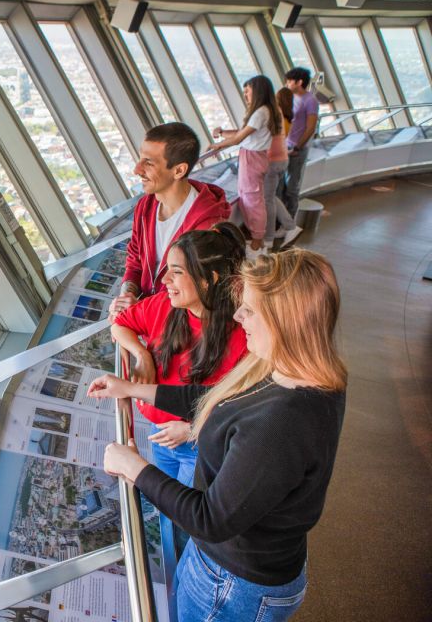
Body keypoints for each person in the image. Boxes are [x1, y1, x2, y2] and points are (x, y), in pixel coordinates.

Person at [89, 249, 347, 621]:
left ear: (286, 321)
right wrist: (133, 389)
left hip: (232, 584)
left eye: (251, 310)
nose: (239, 316)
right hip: (238, 566)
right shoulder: (300, 372)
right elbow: (217, 400)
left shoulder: (281, 422)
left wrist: (136, 469)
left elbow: (211, 519)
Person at [111, 222, 248, 488]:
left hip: (198, 444)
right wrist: (142, 354)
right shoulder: (164, 304)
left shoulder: (243, 335)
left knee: (181, 512)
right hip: (160, 434)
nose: (164, 281)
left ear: (209, 279)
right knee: (166, 507)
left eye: (176, 272)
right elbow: (121, 324)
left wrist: (191, 430)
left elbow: (242, 406)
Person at [112, 123, 230, 318]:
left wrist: (137, 311)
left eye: (148, 163)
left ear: (178, 171)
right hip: (150, 315)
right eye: (140, 159)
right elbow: (135, 261)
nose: (137, 170)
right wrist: (127, 295)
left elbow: (194, 291)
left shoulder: (207, 226)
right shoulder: (145, 207)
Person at [209, 75, 279, 259]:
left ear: (258, 91)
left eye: (248, 91)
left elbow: (240, 138)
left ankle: (257, 242)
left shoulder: (260, 112)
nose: (246, 95)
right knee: (250, 196)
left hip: (253, 158)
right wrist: (223, 133)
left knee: (252, 198)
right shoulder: (265, 111)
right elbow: (244, 134)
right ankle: (257, 239)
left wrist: (218, 145)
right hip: (254, 157)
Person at [265, 88, 302, 248]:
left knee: (269, 199)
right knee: (272, 197)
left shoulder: (274, 115)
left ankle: (269, 238)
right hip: (282, 159)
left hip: (273, 161)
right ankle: (289, 225)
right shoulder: (286, 119)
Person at [282, 67, 320, 217]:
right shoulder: (292, 97)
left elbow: (311, 127)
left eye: (290, 81)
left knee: (292, 185)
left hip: (297, 148)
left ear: (300, 82)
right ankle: (282, 217)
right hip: (286, 145)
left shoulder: (310, 101)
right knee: (282, 184)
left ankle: (290, 219)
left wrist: (298, 147)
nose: (287, 84)